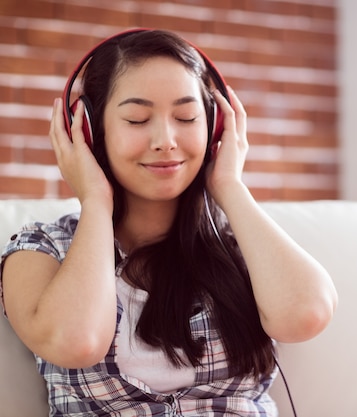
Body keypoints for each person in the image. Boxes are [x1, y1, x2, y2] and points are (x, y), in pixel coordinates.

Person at [0, 29, 337, 416]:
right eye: (137, 119)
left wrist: (229, 185)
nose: (166, 140)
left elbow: (306, 315)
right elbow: (77, 342)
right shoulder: (41, 250)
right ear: (90, 132)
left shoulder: (240, 247)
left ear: (215, 127)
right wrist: (94, 201)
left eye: (186, 117)